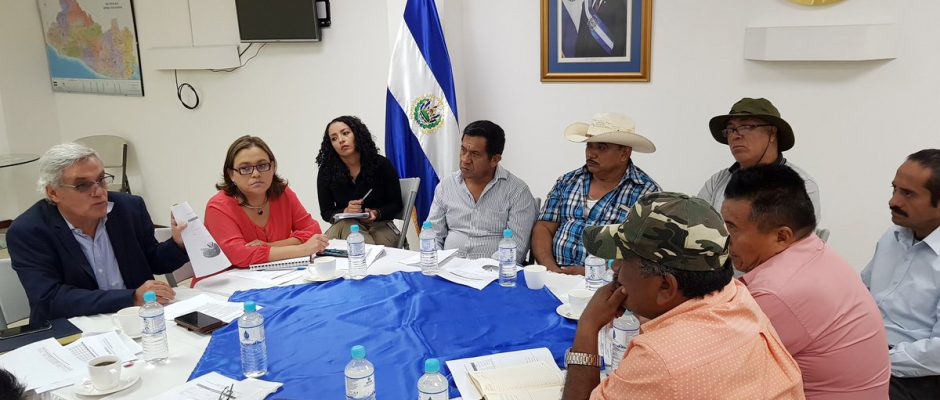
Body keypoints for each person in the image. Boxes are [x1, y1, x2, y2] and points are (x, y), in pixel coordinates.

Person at [561, 192, 804, 400]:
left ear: (666, 287)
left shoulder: (658, 360)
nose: (615, 268)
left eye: (624, 260)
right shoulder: (737, 295)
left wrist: (588, 327)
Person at [722, 165, 890, 399]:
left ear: (782, 236)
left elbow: (717, 362)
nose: (724, 239)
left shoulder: (777, 291)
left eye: (732, 228)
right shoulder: (813, 250)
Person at [6, 143, 189, 323]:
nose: (99, 192)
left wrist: (178, 244)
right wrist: (131, 297)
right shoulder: (29, 231)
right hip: (74, 328)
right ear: (53, 193)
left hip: (135, 318)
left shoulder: (129, 208)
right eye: (82, 185)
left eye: (101, 179)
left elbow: (153, 260)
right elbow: (50, 299)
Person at [532, 113, 660, 275]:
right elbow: (544, 228)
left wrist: (594, 272)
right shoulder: (567, 181)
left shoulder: (646, 193)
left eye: (601, 147)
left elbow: (645, 252)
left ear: (624, 154)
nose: (591, 154)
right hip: (555, 273)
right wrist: (552, 271)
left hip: (610, 281)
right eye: (589, 146)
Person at [862, 149, 940, 400]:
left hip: (916, 374)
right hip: (867, 347)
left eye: (908, 194)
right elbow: (861, 293)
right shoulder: (893, 236)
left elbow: (937, 354)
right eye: (894, 189)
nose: (893, 201)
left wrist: (876, 360)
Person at [205, 135, 328, 268]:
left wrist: (270, 246)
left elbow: (313, 231)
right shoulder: (218, 207)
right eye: (245, 168)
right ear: (231, 175)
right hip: (229, 279)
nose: (256, 174)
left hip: (279, 274)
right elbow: (239, 255)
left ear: (272, 167)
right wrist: (302, 249)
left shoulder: (283, 193)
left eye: (262, 165)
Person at [425, 120, 537, 262]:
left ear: (495, 160)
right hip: (448, 268)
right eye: (463, 150)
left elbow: (516, 248)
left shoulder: (517, 192)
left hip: (493, 272)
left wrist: (483, 270)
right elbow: (432, 234)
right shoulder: (446, 186)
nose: (465, 159)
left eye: (475, 154)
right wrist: (436, 262)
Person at [699, 97, 822, 222]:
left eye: (746, 126)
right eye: (730, 129)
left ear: (772, 133)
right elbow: (694, 226)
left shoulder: (802, 186)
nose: (735, 135)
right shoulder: (717, 182)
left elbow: (798, 234)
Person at [316, 116, 403, 246]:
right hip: (345, 225)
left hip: (380, 225)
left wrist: (376, 213)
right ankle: (366, 256)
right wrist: (345, 211)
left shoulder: (381, 164)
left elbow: (396, 204)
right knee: (350, 226)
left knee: (359, 239)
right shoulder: (326, 171)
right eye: (334, 138)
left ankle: (361, 256)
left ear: (357, 134)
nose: (340, 140)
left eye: (345, 133)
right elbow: (326, 212)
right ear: (331, 145)